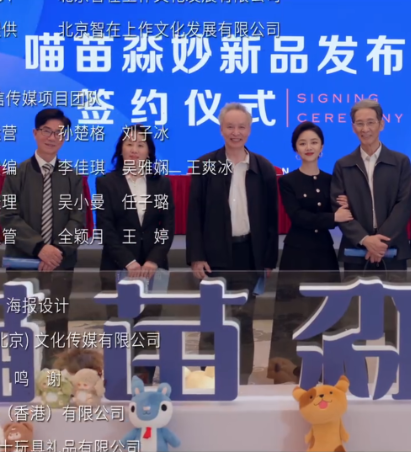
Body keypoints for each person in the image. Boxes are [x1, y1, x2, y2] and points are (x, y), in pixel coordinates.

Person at [186, 102, 279, 385]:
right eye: (230, 127)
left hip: (248, 254)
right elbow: (195, 213)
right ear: (221, 129)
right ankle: (206, 378)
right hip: (214, 256)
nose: (235, 132)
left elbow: (271, 217)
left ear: (249, 130)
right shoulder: (205, 165)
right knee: (211, 321)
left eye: (241, 127)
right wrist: (196, 256)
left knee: (244, 320)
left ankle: (240, 378)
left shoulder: (263, 167)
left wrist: (268, 260)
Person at [0, 108, 87, 368]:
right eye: (47, 131)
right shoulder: (17, 173)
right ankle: (21, 373)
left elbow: (78, 220)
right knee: (21, 321)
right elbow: (8, 217)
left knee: (57, 321)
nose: (52, 137)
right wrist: (39, 248)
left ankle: (53, 376)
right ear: (36, 133)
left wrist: (56, 251)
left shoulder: (73, 176)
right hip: (23, 260)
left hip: (60, 262)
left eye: (59, 132)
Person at [268, 121, 353, 383]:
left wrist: (346, 205)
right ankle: (287, 371)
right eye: (302, 143)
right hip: (297, 254)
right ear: (295, 148)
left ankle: (330, 371)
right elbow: (298, 216)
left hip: (323, 253)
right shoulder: (288, 181)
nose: (308, 147)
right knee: (292, 312)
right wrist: (333, 217)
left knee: (327, 311)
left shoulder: (332, 180)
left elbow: (345, 211)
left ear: (322, 147)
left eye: (314, 142)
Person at [95, 124, 175, 384]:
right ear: (120, 148)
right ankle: (118, 380)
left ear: (149, 151)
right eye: (129, 144)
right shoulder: (106, 182)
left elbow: (167, 227)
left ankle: (144, 381)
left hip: (154, 268)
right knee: (119, 326)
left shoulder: (161, 183)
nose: (134, 149)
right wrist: (128, 262)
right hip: (117, 265)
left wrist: (153, 260)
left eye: (141, 145)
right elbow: (105, 226)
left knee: (148, 327)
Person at [331, 99, 411, 346]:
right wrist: (366, 240)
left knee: (395, 320)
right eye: (359, 123)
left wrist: (380, 242)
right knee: (354, 322)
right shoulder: (343, 165)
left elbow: (403, 205)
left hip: (393, 252)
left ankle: (395, 368)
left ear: (381, 124)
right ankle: (355, 370)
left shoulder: (400, 162)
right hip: (357, 253)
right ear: (353, 127)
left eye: (370, 122)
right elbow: (339, 209)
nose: (365, 129)